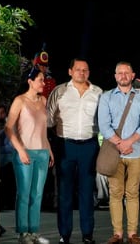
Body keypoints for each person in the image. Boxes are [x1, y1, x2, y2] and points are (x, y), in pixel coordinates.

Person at [46, 59, 103, 244]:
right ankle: (65, 235)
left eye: (85, 70)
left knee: (87, 191)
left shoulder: (98, 92)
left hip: (89, 145)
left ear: (89, 72)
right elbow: (48, 119)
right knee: (65, 192)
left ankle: (87, 234)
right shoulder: (59, 91)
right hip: (65, 145)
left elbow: (104, 120)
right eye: (78, 69)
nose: (82, 72)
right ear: (70, 71)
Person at [98, 62, 140, 244]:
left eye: (126, 72)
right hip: (114, 153)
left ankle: (133, 233)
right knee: (115, 192)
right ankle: (118, 234)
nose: (123, 75)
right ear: (115, 76)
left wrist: (129, 142)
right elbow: (104, 125)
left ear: (133, 75)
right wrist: (120, 144)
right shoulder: (106, 97)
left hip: (136, 152)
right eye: (119, 73)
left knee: (133, 192)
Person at [6, 66, 56, 244]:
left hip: (42, 153)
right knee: (24, 194)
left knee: (37, 194)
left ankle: (33, 231)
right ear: (30, 82)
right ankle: (23, 232)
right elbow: (8, 128)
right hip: (25, 153)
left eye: (44, 79)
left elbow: (43, 130)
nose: (43, 83)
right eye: (40, 80)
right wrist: (20, 150)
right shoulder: (20, 101)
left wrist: (49, 151)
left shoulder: (43, 101)